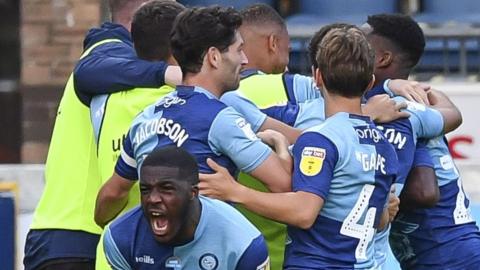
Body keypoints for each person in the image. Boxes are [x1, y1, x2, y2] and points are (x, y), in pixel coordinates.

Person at [200, 26, 398, 269]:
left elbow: (303, 213)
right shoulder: (384, 145)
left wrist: (234, 191)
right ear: (370, 83)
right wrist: (283, 148)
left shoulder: (319, 140)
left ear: (317, 77)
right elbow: (380, 218)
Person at [94, 6, 293, 228]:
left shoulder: (146, 117)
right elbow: (284, 183)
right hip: (208, 256)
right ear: (214, 57)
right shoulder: (221, 118)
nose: (244, 60)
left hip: (152, 256)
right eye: (238, 50)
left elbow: (112, 195)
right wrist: (281, 144)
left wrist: (108, 225)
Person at [23, 0, 181, 269]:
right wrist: (172, 73)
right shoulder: (107, 50)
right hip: (78, 236)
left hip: (71, 238)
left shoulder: (129, 74)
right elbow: (89, 71)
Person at [364, 14, 480, 269]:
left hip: (446, 256)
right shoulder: (391, 100)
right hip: (451, 252)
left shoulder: (396, 109)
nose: (353, 49)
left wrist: (363, 194)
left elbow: (424, 190)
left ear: (382, 59)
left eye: (362, 44)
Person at [90, 1, 185, 269]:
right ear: (178, 47)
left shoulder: (103, 99)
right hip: (169, 256)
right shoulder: (184, 101)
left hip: (112, 256)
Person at [103, 146, 270, 270]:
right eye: (145, 190)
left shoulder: (244, 243)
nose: (153, 199)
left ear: (193, 193)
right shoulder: (120, 238)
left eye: (166, 189)